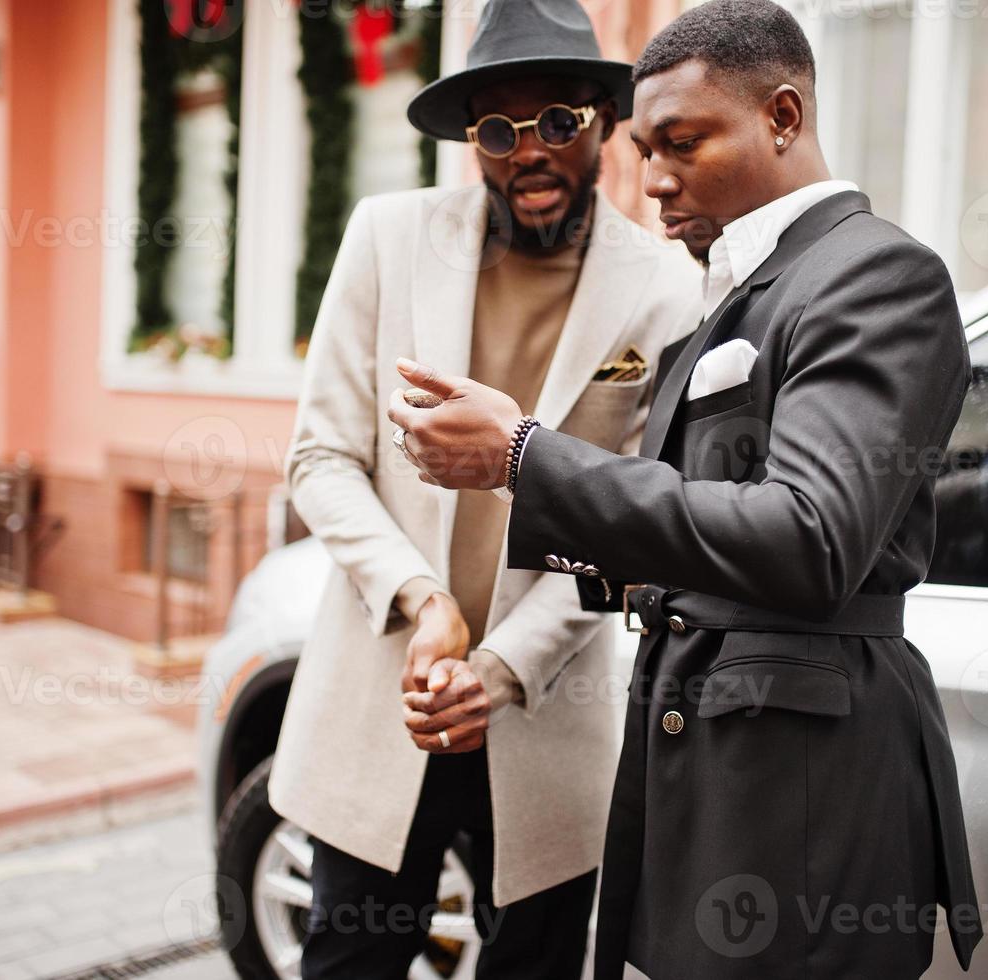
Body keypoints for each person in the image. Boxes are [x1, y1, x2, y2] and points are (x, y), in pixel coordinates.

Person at [388, 1, 984, 977]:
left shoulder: (877, 276)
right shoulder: (728, 299)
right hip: (707, 777)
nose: (653, 180)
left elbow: (809, 536)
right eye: (643, 148)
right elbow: (672, 535)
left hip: (803, 807)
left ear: (783, 117)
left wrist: (523, 454)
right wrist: (487, 657)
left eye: (682, 144)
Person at [265, 0, 701, 976]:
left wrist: (499, 665)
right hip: (388, 701)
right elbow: (320, 458)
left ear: (602, 118)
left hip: (545, 718)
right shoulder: (386, 237)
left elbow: (632, 522)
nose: (529, 152)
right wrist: (424, 605)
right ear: (473, 142)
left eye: (558, 122)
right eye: (497, 131)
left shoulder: (668, 290)